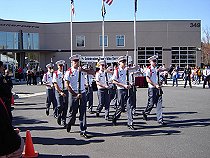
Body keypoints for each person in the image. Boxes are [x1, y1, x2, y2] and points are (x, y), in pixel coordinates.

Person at [65, 54, 94, 138]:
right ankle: (70, 123)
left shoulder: (81, 70)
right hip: (73, 93)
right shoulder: (69, 72)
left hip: (82, 92)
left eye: (77, 61)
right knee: (72, 112)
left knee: (83, 112)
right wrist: (75, 94)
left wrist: (84, 70)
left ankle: (83, 130)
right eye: (75, 61)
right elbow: (67, 85)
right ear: (72, 62)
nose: (76, 63)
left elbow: (92, 72)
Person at [112, 56, 139, 130]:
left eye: (124, 61)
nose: (124, 63)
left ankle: (130, 123)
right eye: (122, 62)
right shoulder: (117, 70)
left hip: (128, 90)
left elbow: (133, 74)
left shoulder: (128, 70)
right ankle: (115, 117)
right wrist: (124, 85)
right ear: (119, 63)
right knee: (121, 107)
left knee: (129, 106)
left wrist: (130, 84)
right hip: (121, 90)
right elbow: (114, 81)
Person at [142, 55, 166, 126]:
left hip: (158, 88)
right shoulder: (149, 69)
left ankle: (160, 119)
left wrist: (162, 79)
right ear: (150, 62)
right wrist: (155, 85)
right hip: (152, 88)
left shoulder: (157, 69)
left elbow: (160, 77)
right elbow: (147, 79)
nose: (155, 62)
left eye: (156, 61)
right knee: (151, 104)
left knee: (159, 104)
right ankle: (145, 112)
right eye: (154, 61)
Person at [52, 60, 68, 127]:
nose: (61, 67)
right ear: (57, 66)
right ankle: (59, 115)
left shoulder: (66, 73)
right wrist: (60, 92)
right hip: (58, 91)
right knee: (60, 105)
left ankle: (64, 120)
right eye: (60, 65)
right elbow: (55, 84)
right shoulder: (55, 73)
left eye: (62, 65)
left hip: (65, 90)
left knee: (65, 106)